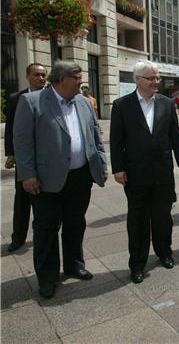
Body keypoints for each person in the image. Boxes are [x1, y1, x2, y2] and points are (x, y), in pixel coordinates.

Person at [13, 60, 107, 299]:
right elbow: (22, 142)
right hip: (46, 180)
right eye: (77, 77)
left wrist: (101, 164)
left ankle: (74, 264)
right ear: (62, 79)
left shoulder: (84, 103)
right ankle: (47, 277)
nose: (81, 81)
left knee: (76, 223)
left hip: (80, 176)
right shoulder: (32, 102)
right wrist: (28, 175)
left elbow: (96, 135)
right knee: (45, 229)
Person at [110, 61, 179, 284]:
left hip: (162, 173)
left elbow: (175, 136)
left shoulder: (166, 103)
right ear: (137, 80)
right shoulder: (122, 105)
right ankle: (137, 263)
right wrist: (118, 168)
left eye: (157, 78)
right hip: (135, 174)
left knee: (163, 217)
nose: (155, 82)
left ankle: (165, 252)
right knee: (138, 220)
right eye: (151, 78)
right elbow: (116, 141)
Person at [4, 63, 47, 253]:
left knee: (46, 202)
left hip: (46, 159)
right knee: (22, 201)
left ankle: (44, 236)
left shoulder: (52, 96)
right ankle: (18, 238)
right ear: (28, 75)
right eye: (37, 74)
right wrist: (11, 153)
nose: (41, 78)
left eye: (44, 75)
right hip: (25, 159)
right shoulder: (16, 98)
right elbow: (12, 128)